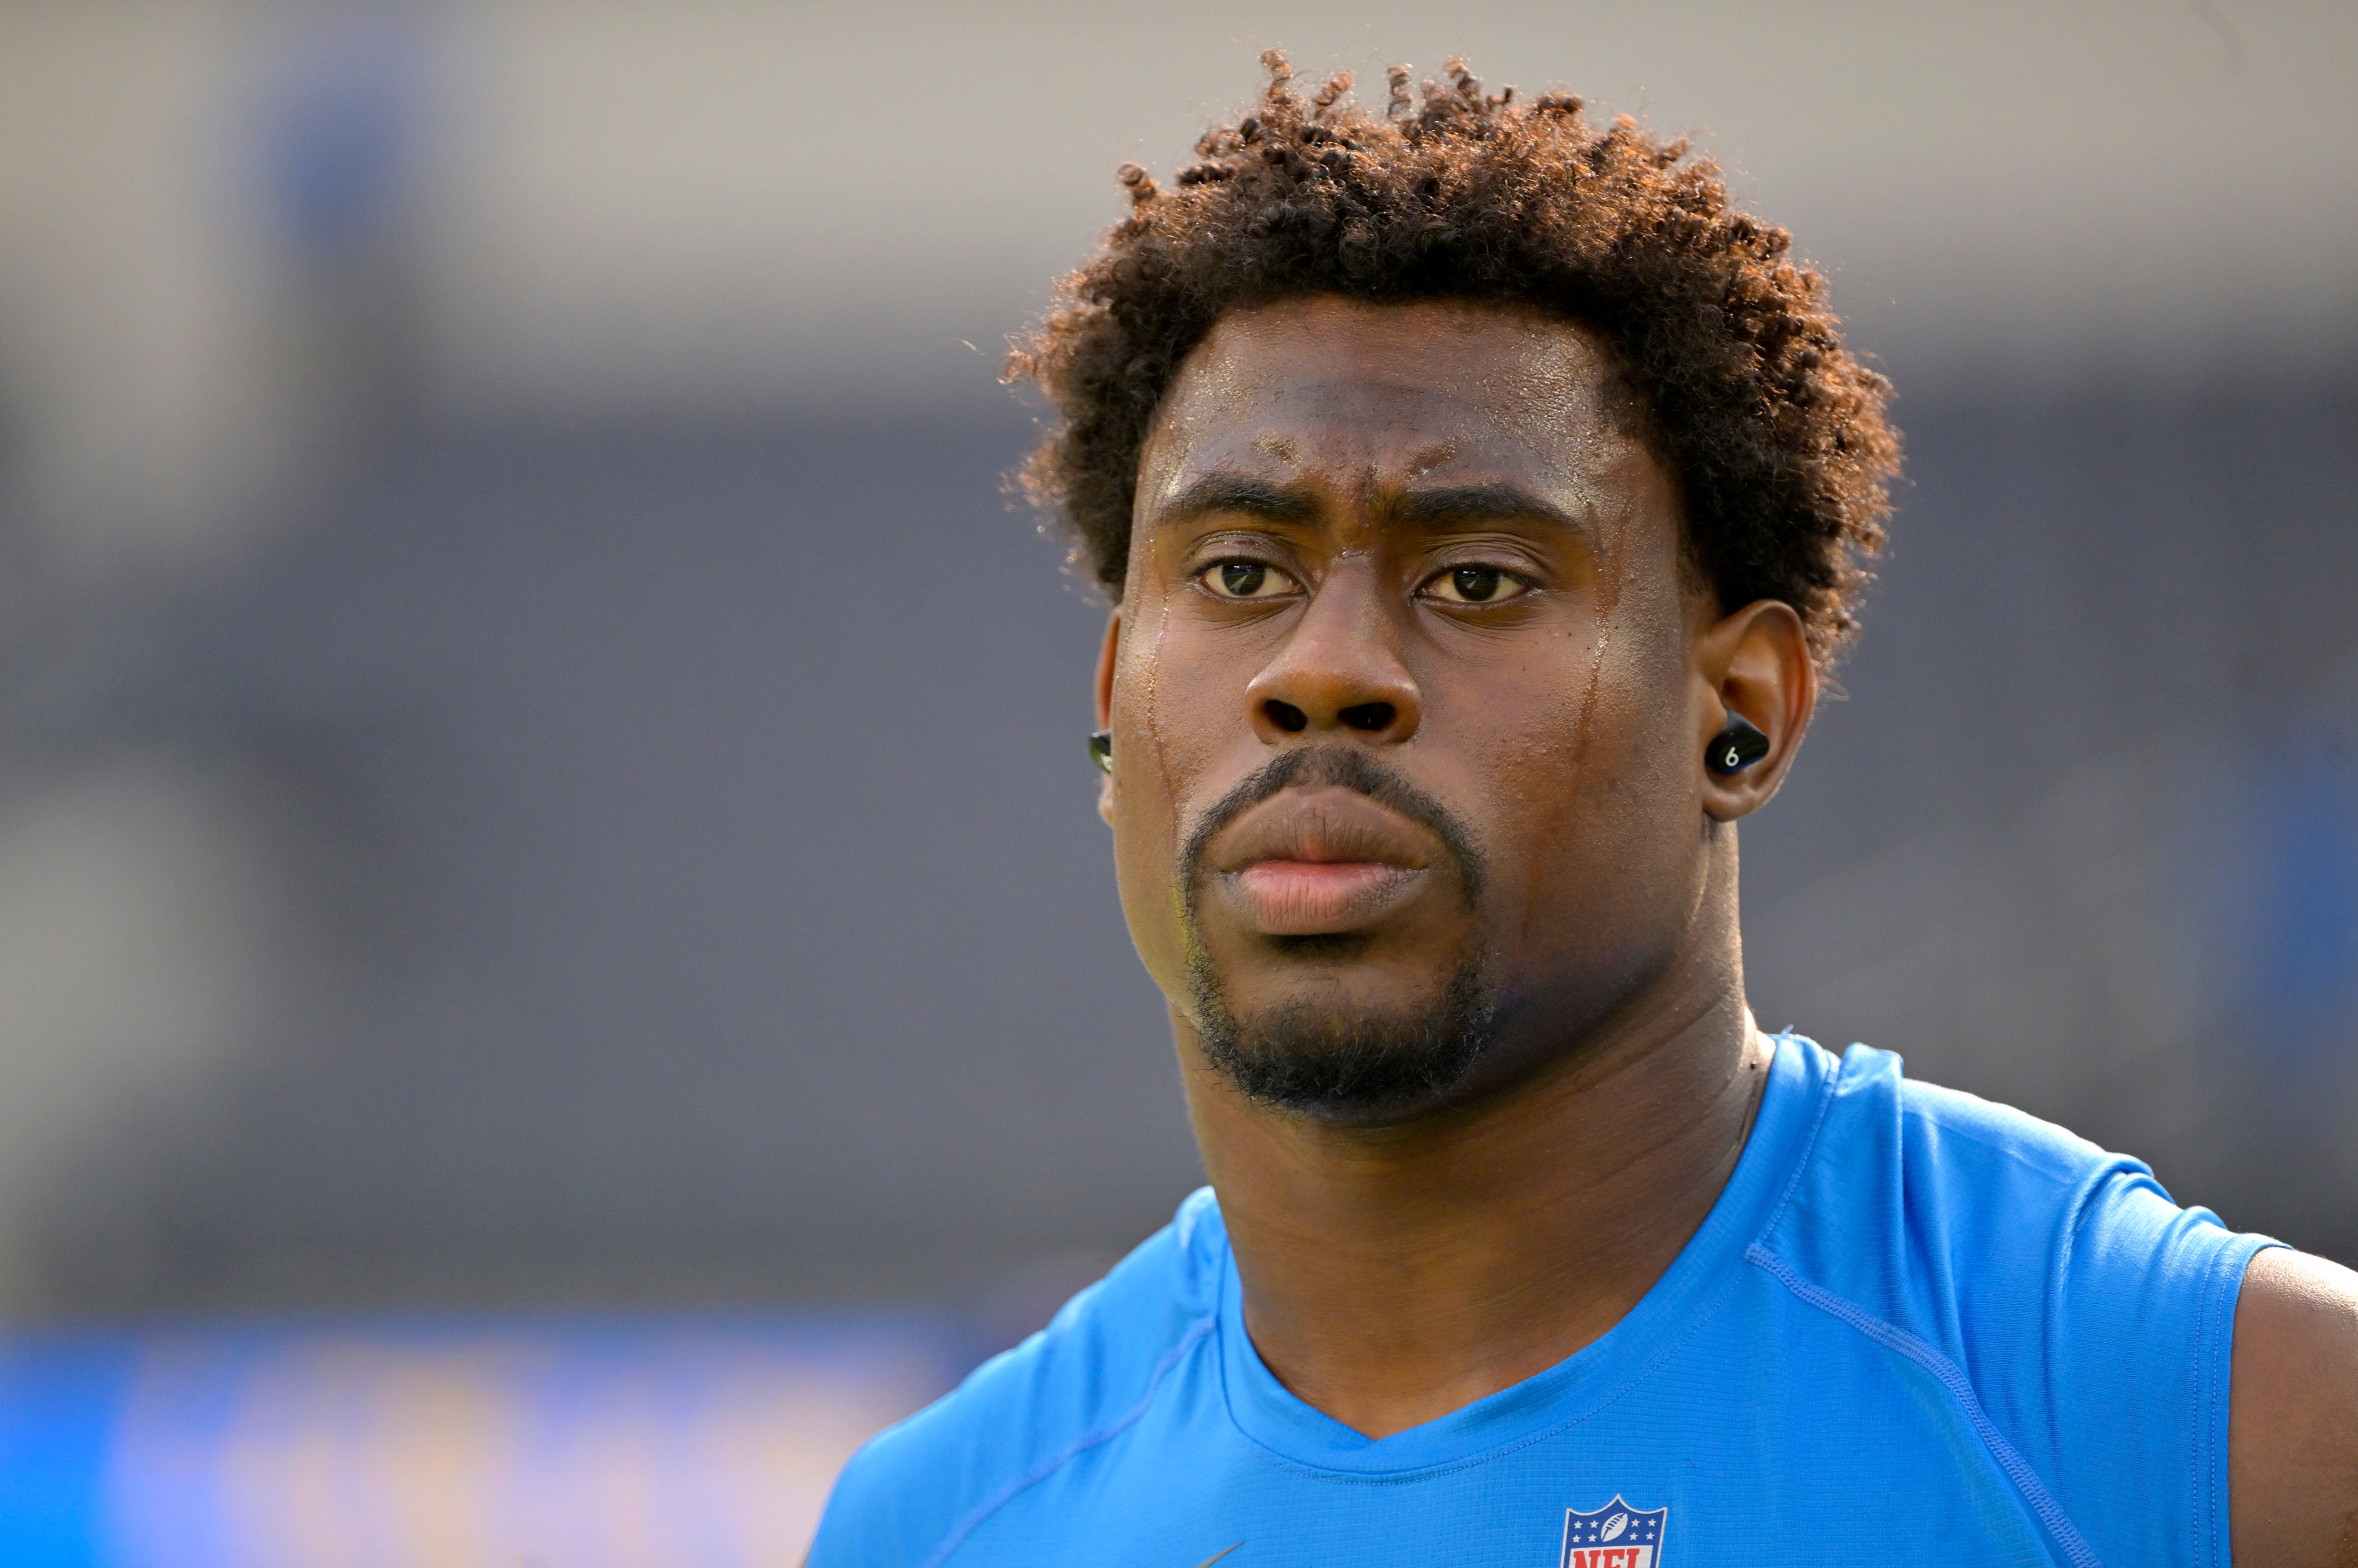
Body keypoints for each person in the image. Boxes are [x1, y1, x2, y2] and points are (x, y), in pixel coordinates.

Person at [808, 55, 2358, 1568]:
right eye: (1237, 574)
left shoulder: (2222, 1426)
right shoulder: (942, 1523)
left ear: (1739, 713)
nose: (1324, 669)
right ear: (1112, 704)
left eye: (1476, 577)